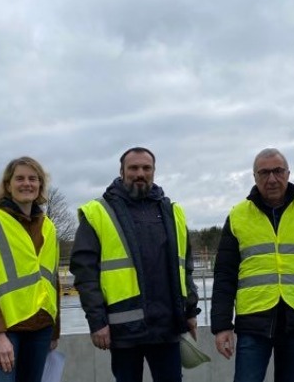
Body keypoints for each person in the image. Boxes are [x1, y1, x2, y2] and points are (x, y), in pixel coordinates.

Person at [70, 147, 200, 382]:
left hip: (167, 327)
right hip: (124, 328)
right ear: (122, 171)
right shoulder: (99, 212)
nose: (140, 173)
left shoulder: (172, 212)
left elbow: (185, 267)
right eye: (133, 168)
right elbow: (85, 274)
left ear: (154, 171)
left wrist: (190, 311)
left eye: (146, 168)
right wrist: (97, 322)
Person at [211, 148, 294, 382]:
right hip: (253, 321)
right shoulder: (238, 216)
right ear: (254, 177)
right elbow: (224, 275)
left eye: (278, 171)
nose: (272, 179)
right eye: (264, 173)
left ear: (288, 173)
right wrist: (222, 326)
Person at [0, 157, 61, 382]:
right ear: (8, 185)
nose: (27, 183)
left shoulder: (48, 226)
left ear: (40, 185)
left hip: (41, 327)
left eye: (33, 179)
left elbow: (52, 280)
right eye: (19, 178)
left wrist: (55, 331)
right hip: (4, 329)